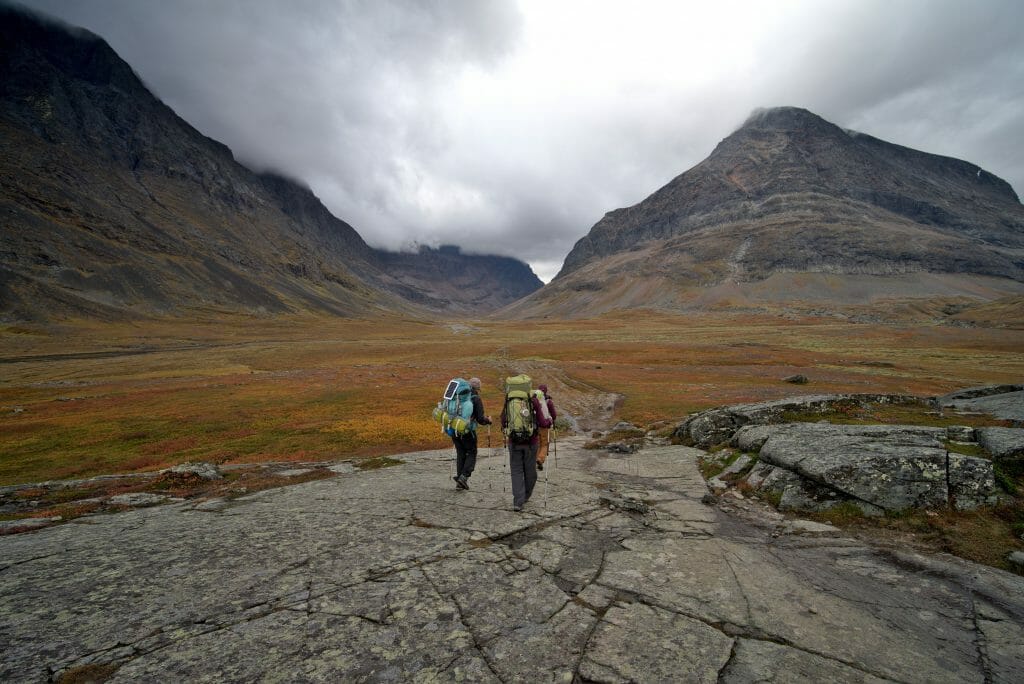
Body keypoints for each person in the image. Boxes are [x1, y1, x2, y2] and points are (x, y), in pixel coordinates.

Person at [501, 383, 552, 511]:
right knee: (530, 473)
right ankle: (525, 496)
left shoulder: (509, 400)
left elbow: (503, 420)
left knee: (516, 471)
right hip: (531, 443)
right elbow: (542, 422)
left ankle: (518, 502)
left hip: (513, 442)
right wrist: (549, 421)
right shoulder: (533, 400)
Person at [452, 377, 491, 490]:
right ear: (478, 388)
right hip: (468, 431)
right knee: (472, 452)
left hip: (455, 430)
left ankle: (460, 480)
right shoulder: (476, 399)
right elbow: (480, 419)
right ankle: (464, 477)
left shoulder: (458, 396)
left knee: (461, 453)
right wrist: (488, 420)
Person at [535, 384, 557, 471]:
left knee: (538, 444)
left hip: (535, 426)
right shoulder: (548, 401)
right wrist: (552, 420)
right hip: (545, 425)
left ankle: (536, 460)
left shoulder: (534, 399)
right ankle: (540, 459)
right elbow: (554, 415)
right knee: (544, 444)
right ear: (546, 391)